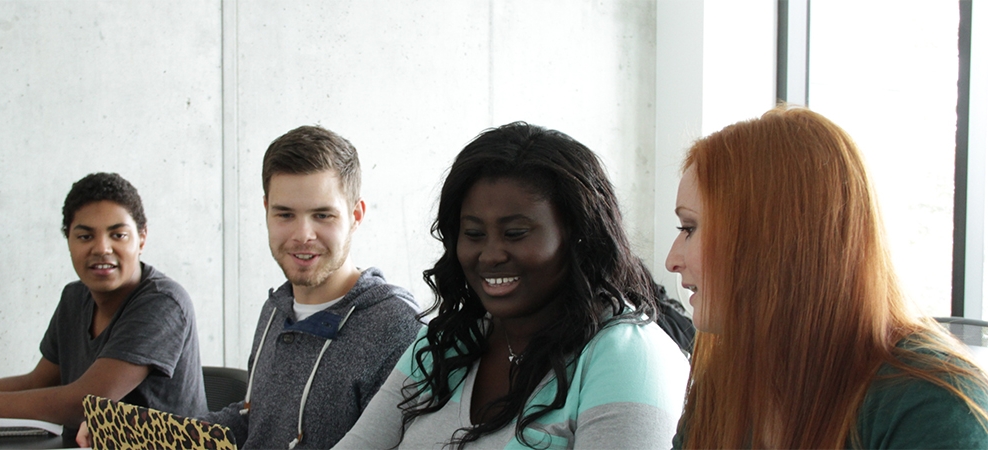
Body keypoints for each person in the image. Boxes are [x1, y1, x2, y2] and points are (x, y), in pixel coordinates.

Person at [336, 122, 689, 449]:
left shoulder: (630, 357)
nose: (490, 255)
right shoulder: (445, 344)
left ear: (578, 235)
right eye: (473, 233)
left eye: (515, 233)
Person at [665, 106, 988, 448]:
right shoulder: (728, 382)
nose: (672, 261)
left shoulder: (932, 407)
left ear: (772, 241)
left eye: (689, 228)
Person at [0, 172, 208, 432]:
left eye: (118, 234)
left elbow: (85, 405)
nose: (102, 248)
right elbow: (37, 383)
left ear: (142, 239)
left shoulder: (162, 304)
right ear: (68, 240)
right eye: (85, 235)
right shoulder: (75, 297)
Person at [200, 125, 422, 449]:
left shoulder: (397, 328)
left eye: (322, 215)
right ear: (266, 210)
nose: (303, 235)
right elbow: (256, 421)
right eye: (285, 214)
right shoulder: (276, 308)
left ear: (356, 215)